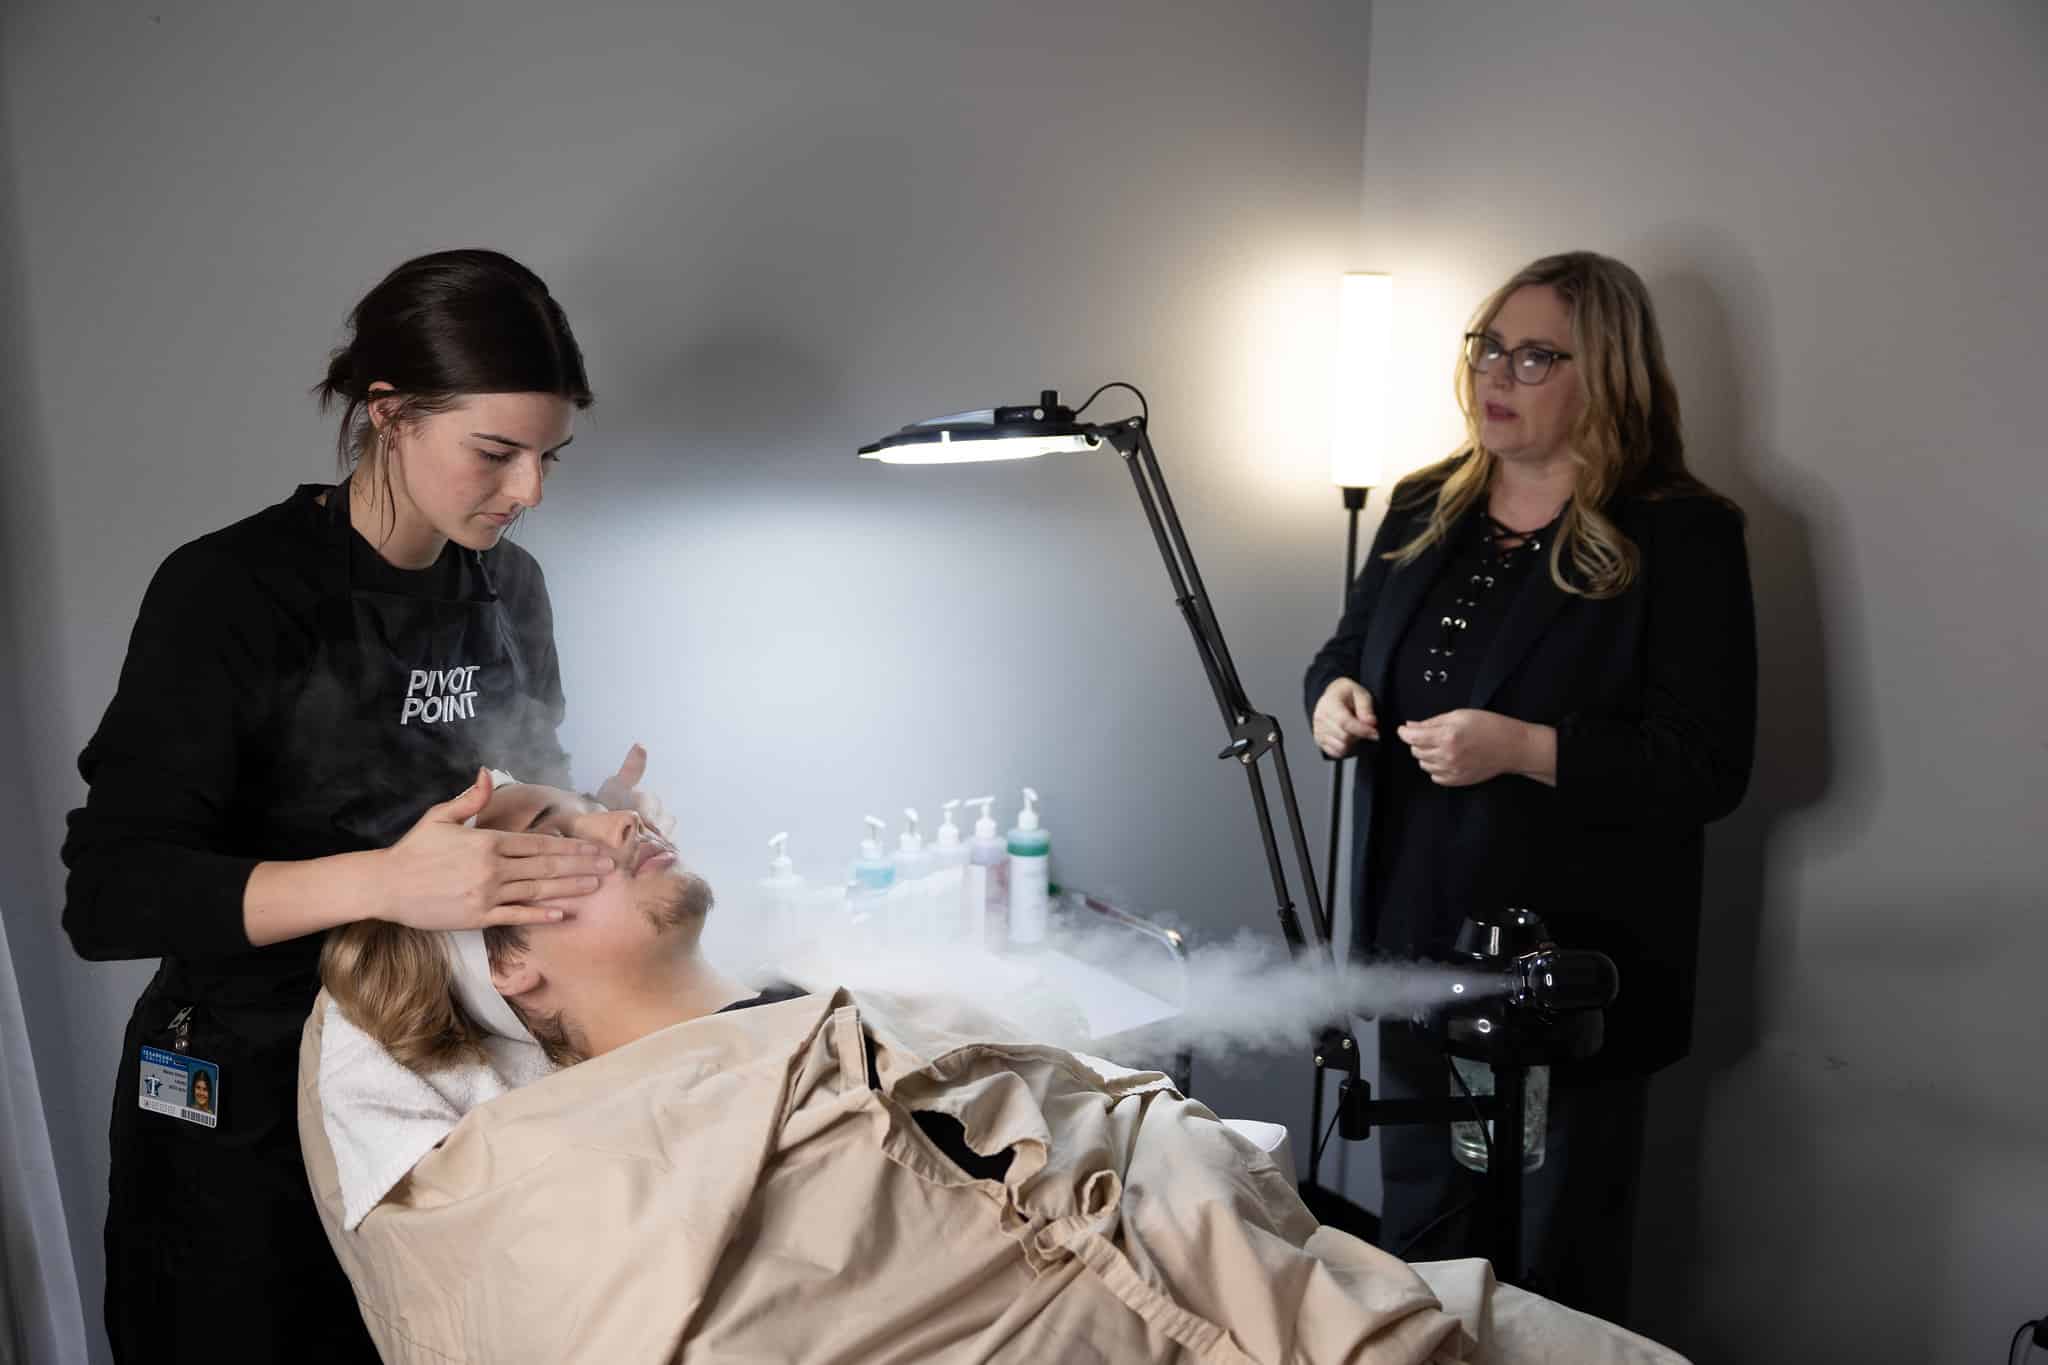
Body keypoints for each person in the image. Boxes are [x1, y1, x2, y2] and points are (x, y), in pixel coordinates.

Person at [62, 249, 665, 1362]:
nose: (527, 492)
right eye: (495, 452)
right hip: (243, 1101)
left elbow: (506, 782)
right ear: (388, 414)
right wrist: (387, 883)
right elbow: (111, 897)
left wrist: (576, 819)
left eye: (547, 458)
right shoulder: (231, 592)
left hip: (437, 1079)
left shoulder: (507, 588)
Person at [1303, 251, 1757, 1322]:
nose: (1493, 374)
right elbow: (1345, 650)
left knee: (1551, 1259)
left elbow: (1705, 765)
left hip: (1573, 970)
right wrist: (1333, 699)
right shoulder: (1423, 502)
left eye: (1533, 355)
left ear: (1605, 375)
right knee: (1421, 1231)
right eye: (1486, 347)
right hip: (1419, 938)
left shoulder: (1680, 536)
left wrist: (1524, 747)